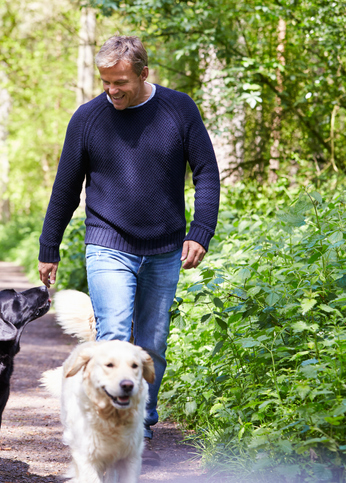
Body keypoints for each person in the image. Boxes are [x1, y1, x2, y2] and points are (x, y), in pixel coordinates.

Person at [38, 35, 220, 465]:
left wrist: (202, 230)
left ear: (143, 73)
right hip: (107, 243)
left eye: (120, 82)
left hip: (165, 245)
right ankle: (104, 424)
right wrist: (50, 246)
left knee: (152, 343)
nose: (111, 90)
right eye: (105, 82)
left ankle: (143, 419)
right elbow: (66, 188)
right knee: (115, 337)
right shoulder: (87, 119)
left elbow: (207, 172)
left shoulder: (179, 109)